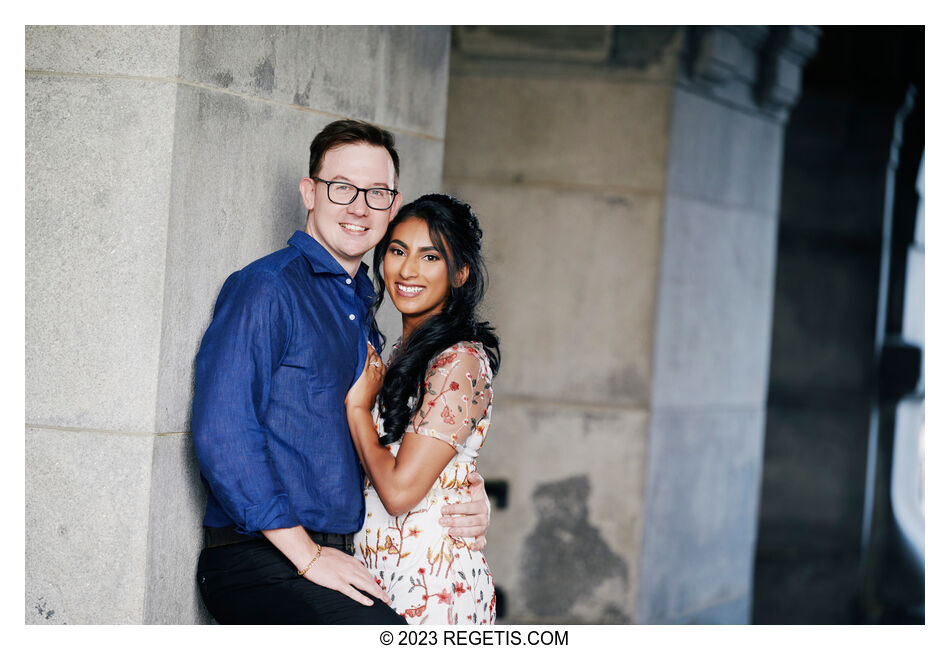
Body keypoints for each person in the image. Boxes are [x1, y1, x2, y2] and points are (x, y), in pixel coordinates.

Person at [191, 120, 490, 625]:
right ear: (310, 192)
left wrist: (462, 489)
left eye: (376, 193)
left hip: (346, 559)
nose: (358, 207)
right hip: (264, 560)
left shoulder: (365, 314)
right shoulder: (268, 288)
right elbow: (223, 432)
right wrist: (306, 555)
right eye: (342, 188)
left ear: (393, 206)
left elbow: (391, 447)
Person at [345, 194, 500, 624]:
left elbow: (398, 493)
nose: (407, 270)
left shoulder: (459, 361)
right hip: (385, 576)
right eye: (397, 251)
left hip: (435, 590)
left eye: (430, 256)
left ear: (461, 273)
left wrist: (359, 410)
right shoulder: (398, 352)